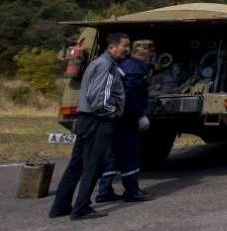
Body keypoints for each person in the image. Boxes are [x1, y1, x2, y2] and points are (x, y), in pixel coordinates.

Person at [49, 31, 130, 221]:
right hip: (98, 120)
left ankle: (60, 206)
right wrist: (114, 112)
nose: (127, 50)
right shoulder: (107, 66)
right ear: (112, 47)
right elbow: (98, 98)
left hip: (85, 118)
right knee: (93, 165)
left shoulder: (96, 63)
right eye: (125, 46)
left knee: (76, 165)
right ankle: (81, 208)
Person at [96, 40, 156, 203]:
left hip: (115, 117)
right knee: (130, 152)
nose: (152, 55)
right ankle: (132, 191)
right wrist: (139, 115)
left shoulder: (124, 65)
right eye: (150, 51)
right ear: (143, 52)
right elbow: (130, 94)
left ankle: (104, 191)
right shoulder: (136, 68)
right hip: (127, 118)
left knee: (112, 154)